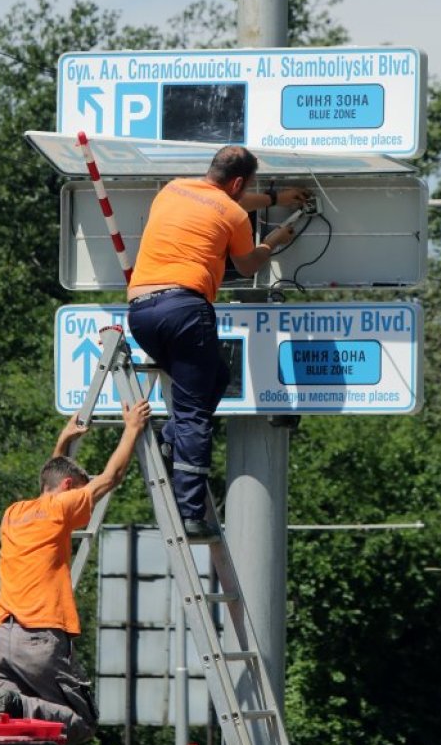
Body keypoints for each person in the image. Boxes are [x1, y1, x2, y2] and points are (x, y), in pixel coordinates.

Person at [127, 144, 308, 541]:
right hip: (185, 309)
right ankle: (190, 514)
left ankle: (172, 439)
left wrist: (276, 197)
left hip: (141, 310)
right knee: (194, 412)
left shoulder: (173, 189)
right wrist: (274, 238)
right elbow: (246, 264)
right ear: (240, 183)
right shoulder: (235, 213)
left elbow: (224, 201)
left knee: (216, 376)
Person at [0, 399, 151, 745]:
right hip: (40, 637)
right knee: (82, 722)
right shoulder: (61, 506)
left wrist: (64, 442)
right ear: (67, 489)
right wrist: (133, 428)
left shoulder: (14, 513)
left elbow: (51, 478)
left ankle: (18, 724)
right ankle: (20, 705)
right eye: (77, 490)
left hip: (2, 637)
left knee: (14, 731)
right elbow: (112, 477)